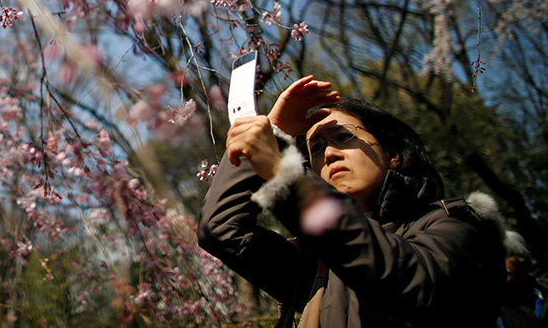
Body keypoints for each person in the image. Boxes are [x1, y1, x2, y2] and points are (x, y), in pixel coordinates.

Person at [197, 75, 505, 327]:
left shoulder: (457, 224)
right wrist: (276, 134)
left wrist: (285, 173)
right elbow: (222, 229)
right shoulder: (315, 264)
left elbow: (415, 283)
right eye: (317, 148)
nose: (330, 153)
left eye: (343, 137)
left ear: (393, 154)